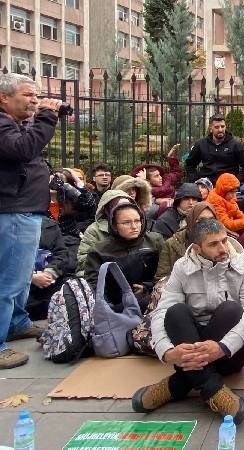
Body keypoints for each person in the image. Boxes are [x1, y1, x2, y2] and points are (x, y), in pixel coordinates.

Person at [133, 218, 244, 425]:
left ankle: (175, 386)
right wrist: (167, 352)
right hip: (191, 344)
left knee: (232, 309)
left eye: (224, 240)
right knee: (175, 312)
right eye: (213, 244)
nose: (223, 248)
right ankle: (214, 390)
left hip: (232, 351)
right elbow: (161, 311)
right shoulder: (182, 267)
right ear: (197, 248)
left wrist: (222, 347)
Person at [0, 73, 63, 369]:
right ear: (4, 97)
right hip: (15, 211)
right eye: (27, 95)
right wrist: (47, 117)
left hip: (25, 209)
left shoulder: (14, 124)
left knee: (20, 276)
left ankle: (17, 323)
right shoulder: (2, 125)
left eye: (36, 96)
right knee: (9, 281)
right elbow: (24, 149)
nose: (35, 100)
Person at [82, 201, 164, 310]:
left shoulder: (155, 241)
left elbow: (166, 273)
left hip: (152, 298)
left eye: (137, 221)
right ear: (115, 226)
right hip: (116, 307)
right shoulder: (99, 251)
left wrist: (148, 286)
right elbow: (94, 285)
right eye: (127, 223)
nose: (134, 226)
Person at [76, 190, 139, 276]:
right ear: (109, 208)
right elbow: (83, 260)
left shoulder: (137, 226)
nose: (125, 211)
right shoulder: (94, 230)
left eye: (128, 207)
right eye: (120, 207)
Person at [27, 217, 76, 321]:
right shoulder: (8, 226)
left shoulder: (50, 225)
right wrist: (31, 277)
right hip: (22, 284)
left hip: (49, 279)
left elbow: (61, 253)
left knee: (71, 288)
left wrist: (50, 273)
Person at [155, 202, 218, 280]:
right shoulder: (172, 244)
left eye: (211, 219)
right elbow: (162, 278)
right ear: (192, 221)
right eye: (201, 220)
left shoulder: (225, 242)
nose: (207, 224)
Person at [185, 114, 244, 183]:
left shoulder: (235, 144)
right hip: (206, 185)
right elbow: (190, 165)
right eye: (216, 127)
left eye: (222, 126)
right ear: (211, 129)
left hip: (228, 186)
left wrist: (236, 181)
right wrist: (197, 180)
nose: (220, 130)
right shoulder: (201, 144)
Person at [131, 144, 184, 209]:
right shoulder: (144, 191)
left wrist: (171, 158)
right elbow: (139, 199)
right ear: (148, 180)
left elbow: (176, 173)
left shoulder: (166, 180)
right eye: (156, 176)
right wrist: (143, 182)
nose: (160, 177)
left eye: (159, 175)